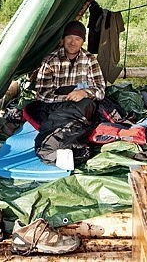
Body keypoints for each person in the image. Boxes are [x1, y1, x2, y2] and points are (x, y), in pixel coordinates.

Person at [23, 20, 106, 165]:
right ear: (63, 39)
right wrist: (67, 97)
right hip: (56, 105)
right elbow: (41, 95)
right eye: (70, 37)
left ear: (82, 42)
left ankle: (62, 147)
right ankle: (63, 148)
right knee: (43, 111)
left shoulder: (90, 60)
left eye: (78, 39)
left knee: (87, 106)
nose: (73, 42)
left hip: (81, 104)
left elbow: (100, 90)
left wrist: (84, 92)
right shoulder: (50, 60)